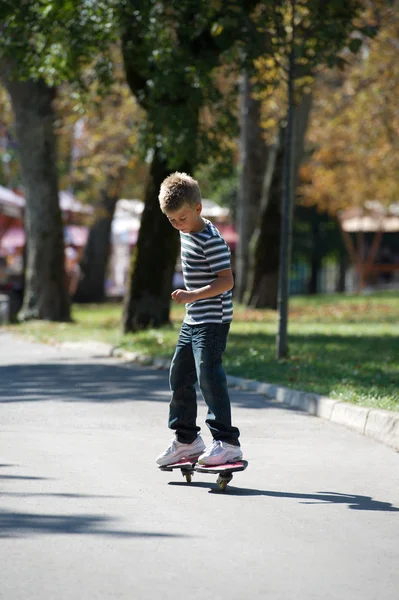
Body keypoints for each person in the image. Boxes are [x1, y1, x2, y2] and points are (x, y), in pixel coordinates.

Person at [156, 172, 243, 467]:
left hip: (213, 320)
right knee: (179, 376)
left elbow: (227, 282)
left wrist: (192, 295)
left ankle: (227, 442)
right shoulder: (185, 229)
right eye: (171, 220)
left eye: (181, 218)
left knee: (209, 375)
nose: (177, 224)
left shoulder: (211, 240)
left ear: (198, 209)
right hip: (193, 319)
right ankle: (186, 440)